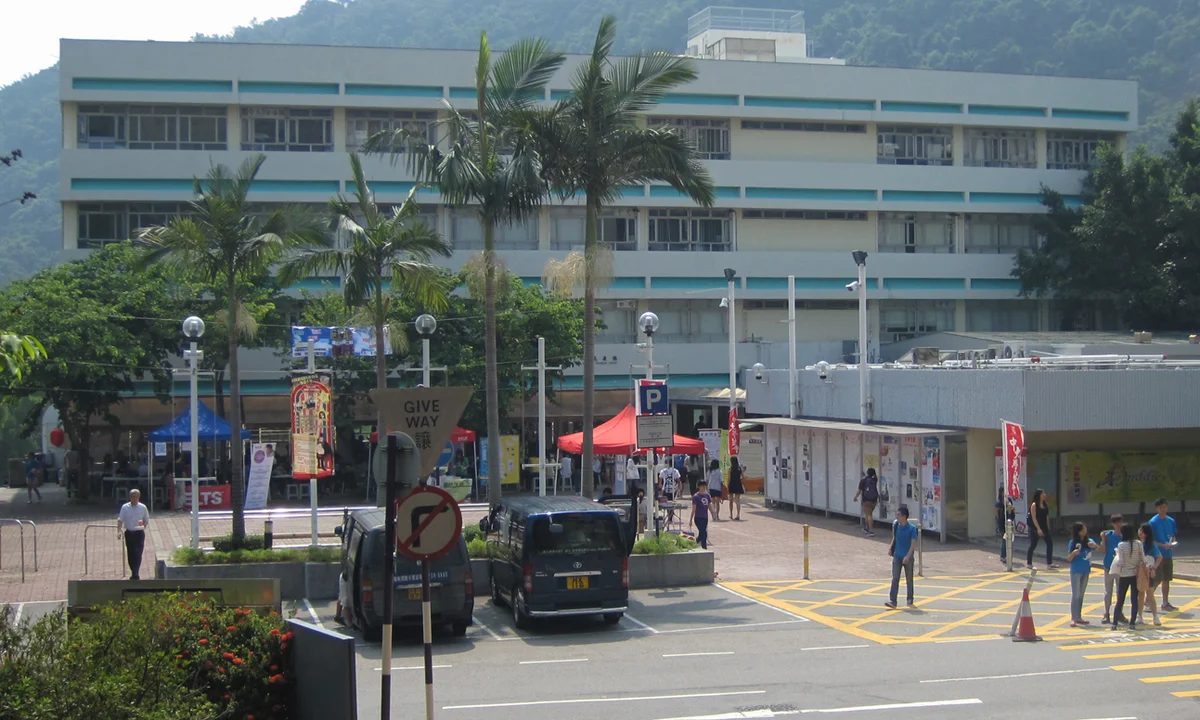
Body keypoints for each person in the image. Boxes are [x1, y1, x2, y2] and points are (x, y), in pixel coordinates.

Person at [1109, 523, 1143, 630]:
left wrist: (1116, 557)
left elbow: (1121, 562)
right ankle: (1132, 623)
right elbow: (1142, 558)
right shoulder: (1138, 543)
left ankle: (1114, 623)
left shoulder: (1121, 545)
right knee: (1134, 599)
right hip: (1135, 574)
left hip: (1124, 575)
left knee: (1120, 599)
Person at [1066, 522, 1099, 627]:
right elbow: (1069, 558)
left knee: (1081, 594)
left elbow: (1098, 549)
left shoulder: (1089, 541)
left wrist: (1094, 546)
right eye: (1083, 529)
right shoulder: (1073, 542)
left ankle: (1078, 616)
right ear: (1079, 532)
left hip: (1086, 570)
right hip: (1076, 570)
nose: (1085, 530)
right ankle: (1073, 617)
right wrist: (1074, 553)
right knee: (1076, 594)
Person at [886, 505, 918, 609]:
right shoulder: (896, 525)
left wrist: (908, 556)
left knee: (909, 579)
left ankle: (910, 599)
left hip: (908, 557)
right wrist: (891, 547)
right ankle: (893, 601)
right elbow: (894, 537)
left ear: (904, 516)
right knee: (895, 578)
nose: (897, 517)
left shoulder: (912, 529)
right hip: (897, 555)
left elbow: (913, 544)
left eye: (899, 515)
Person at [1149, 498, 1178, 612]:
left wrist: (1173, 542)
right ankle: (1147, 600)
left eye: (1164, 507)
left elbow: (1173, 534)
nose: (1163, 509)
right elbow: (1150, 540)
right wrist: (1162, 545)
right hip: (1157, 555)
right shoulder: (1153, 522)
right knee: (1157, 579)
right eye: (1161, 507)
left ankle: (1165, 602)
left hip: (1168, 554)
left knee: (1167, 579)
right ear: (1157, 508)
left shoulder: (1171, 520)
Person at [117, 488, 150, 580]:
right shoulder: (125, 507)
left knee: (138, 553)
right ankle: (134, 571)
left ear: (139, 497)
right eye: (132, 496)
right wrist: (119, 531)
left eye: (136, 496)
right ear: (130, 497)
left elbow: (146, 520)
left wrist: (143, 524)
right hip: (129, 533)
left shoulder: (142, 507)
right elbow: (120, 520)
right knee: (130, 554)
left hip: (139, 533)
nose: (134, 498)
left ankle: (136, 572)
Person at [1100, 514, 1126, 625]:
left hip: (1121, 567)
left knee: (1120, 592)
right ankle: (1106, 613)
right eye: (1116, 522)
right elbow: (1103, 550)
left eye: (1120, 522)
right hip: (1109, 566)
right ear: (1113, 524)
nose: (1118, 525)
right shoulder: (1108, 535)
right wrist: (1103, 539)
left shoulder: (1125, 535)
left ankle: (1119, 612)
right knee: (1108, 591)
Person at [1138, 523, 1163, 627]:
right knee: (1140, 594)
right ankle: (1139, 616)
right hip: (1139, 572)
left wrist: (1154, 568)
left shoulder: (1151, 545)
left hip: (1148, 572)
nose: (1140, 532)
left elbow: (1159, 557)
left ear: (1146, 534)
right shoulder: (1138, 544)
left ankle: (1155, 617)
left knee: (1150, 594)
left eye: (1142, 531)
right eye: (1140, 530)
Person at [1026, 489, 1057, 569]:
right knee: (1033, 545)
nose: (1044, 495)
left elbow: (1046, 516)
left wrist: (1048, 526)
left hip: (1044, 527)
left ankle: (1049, 563)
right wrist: (1038, 529)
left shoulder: (1045, 504)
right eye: (1043, 493)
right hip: (1035, 527)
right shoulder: (1034, 505)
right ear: (1039, 495)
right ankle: (1029, 562)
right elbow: (1034, 518)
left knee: (1049, 543)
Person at [855, 468, 881, 536]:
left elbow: (859, 490)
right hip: (874, 500)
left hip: (866, 500)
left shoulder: (863, 481)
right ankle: (867, 528)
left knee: (868, 515)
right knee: (869, 514)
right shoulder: (874, 480)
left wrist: (855, 497)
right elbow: (876, 477)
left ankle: (870, 531)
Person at [689, 479, 712, 549]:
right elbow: (694, 508)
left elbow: (709, 505)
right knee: (704, 533)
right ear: (699, 487)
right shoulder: (696, 496)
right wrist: (690, 519)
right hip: (698, 518)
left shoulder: (707, 495)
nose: (704, 487)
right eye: (702, 486)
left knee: (702, 534)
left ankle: (694, 543)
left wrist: (713, 513)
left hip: (705, 517)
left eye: (705, 486)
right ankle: (704, 548)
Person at [996, 489, 1016, 564]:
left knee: (1010, 539)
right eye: (1004, 492)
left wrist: (1012, 508)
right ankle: (1003, 556)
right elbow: (996, 512)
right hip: (1002, 522)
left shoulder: (1009, 500)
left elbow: (1012, 508)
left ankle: (1009, 555)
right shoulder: (999, 502)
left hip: (1009, 520)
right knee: (1004, 539)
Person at [727, 456, 745, 521]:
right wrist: (740, 482)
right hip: (738, 484)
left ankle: (731, 514)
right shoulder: (739, 468)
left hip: (732, 484)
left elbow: (729, 478)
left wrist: (727, 485)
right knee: (737, 500)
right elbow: (743, 477)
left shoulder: (730, 469)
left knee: (731, 500)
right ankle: (738, 514)